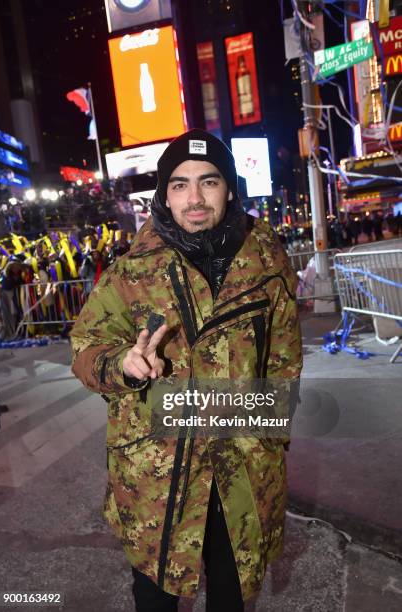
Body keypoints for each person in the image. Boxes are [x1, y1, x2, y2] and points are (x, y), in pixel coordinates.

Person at [70, 129, 302, 610]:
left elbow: (283, 364)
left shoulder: (268, 263)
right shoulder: (133, 272)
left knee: (231, 594)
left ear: (230, 188)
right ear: (164, 195)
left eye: (208, 182)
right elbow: (85, 347)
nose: (194, 198)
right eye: (179, 185)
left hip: (240, 467)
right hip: (157, 476)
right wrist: (123, 366)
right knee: (154, 596)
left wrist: (268, 442)